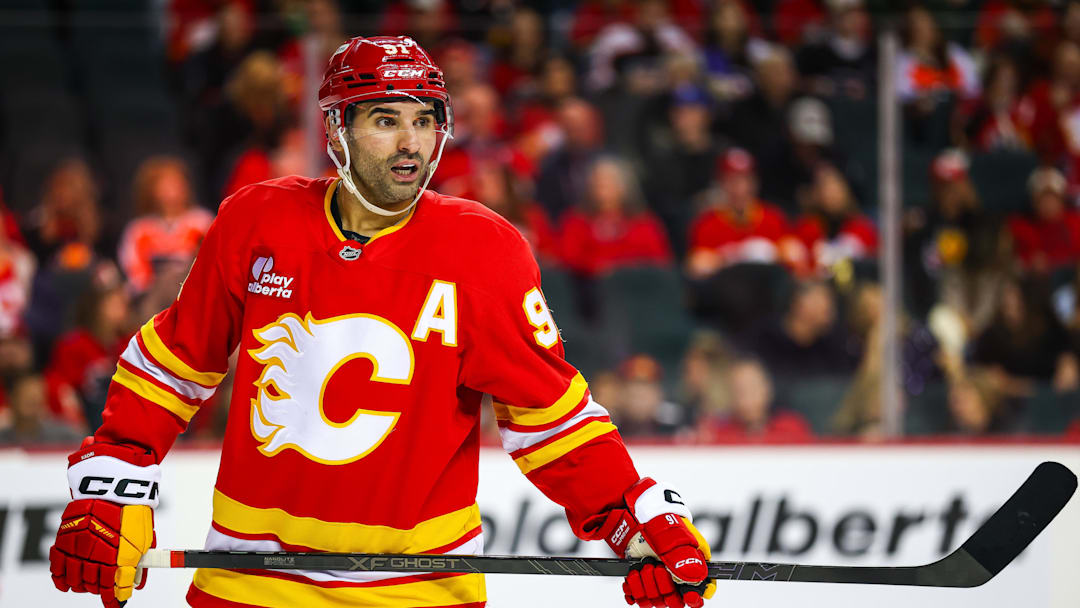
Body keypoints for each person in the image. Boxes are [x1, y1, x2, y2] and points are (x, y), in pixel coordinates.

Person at [49, 36, 716, 608]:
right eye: (385, 120)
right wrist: (114, 478)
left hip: (418, 587)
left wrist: (635, 518)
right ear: (337, 130)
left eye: (424, 121)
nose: (411, 145)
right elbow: (175, 361)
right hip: (251, 582)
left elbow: (551, 417)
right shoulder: (256, 221)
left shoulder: (484, 251)